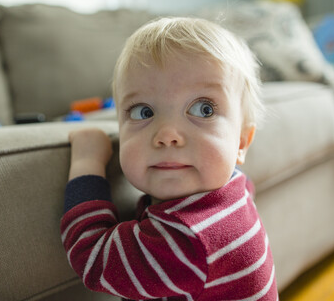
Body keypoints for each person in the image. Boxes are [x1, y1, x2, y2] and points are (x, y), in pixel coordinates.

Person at [60, 17, 278, 301]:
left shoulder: (186, 239)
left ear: (241, 142)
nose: (167, 135)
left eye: (203, 109)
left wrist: (87, 163)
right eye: (143, 112)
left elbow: (93, 257)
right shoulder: (235, 187)